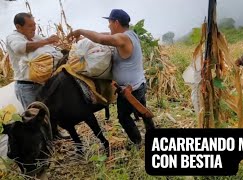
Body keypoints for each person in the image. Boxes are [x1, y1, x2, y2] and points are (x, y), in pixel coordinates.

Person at [67, 9, 155, 145]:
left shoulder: (122, 38)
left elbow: (101, 39)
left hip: (129, 91)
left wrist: (80, 31)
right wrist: (85, 39)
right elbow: (104, 34)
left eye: (109, 22)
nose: (108, 26)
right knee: (143, 111)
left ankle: (137, 142)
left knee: (124, 117)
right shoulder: (131, 34)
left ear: (116, 22)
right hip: (139, 84)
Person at [6, 12, 69, 139]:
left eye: (34, 24)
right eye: (30, 26)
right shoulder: (13, 37)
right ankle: (43, 146)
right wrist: (47, 40)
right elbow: (20, 48)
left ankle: (55, 134)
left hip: (42, 83)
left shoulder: (35, 37)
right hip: (26, 86)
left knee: (49, 110)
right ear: (18, 27)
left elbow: (51, 48)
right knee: (34, 118)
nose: (34, 28)